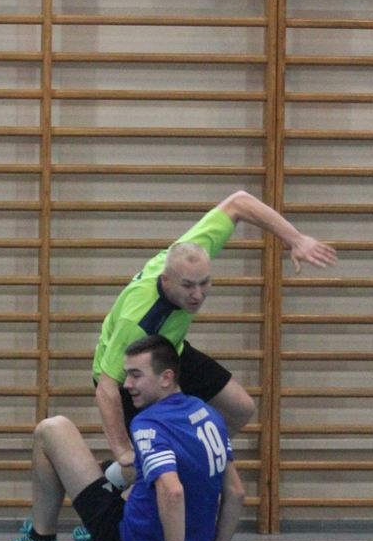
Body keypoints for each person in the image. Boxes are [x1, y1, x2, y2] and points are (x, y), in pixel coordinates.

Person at [94, 190, 337, 489]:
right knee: (140, 464)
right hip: (128, 370)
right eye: (188, 286)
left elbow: (240, 202)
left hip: (170, 350)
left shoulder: (191, 253)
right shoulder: (137, 321)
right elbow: (106, 387)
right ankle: (111, 483)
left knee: (240, 408)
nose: (198, 295)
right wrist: (122, 452)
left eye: (205, 283)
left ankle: (182, 466)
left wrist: (296, 239)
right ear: (166, 280)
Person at [0, 335, 244, 541]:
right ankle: (106, 488)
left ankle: (41, 540)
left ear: (166, 378)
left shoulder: (149, 423)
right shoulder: (209, 414)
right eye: (126, 375)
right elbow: (235, 492)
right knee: (129, 468)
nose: (126, 384)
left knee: (52, 429)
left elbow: (173, 491)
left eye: (136, 375)